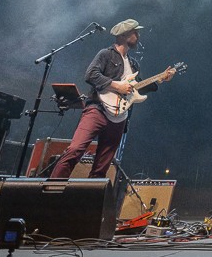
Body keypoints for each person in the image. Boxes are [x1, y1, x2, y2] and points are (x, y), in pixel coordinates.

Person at [48, 19, 172, 180]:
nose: (138, 36)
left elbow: (137, 88)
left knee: (102, 166)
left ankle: (91, 194)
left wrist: (161, 78)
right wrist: (117, 86)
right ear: (124, 35)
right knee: (75, 150)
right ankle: (52, 188)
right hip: (98, 109)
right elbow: (91, 75)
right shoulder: (106, 54)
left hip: (119, 118)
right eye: (135, 32)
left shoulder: (134, 64)